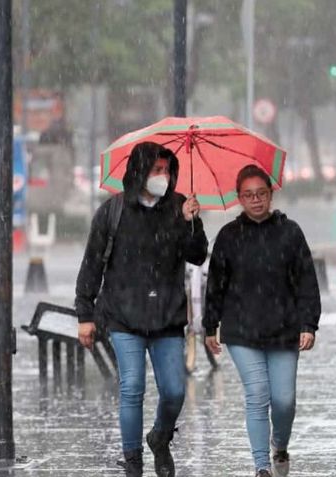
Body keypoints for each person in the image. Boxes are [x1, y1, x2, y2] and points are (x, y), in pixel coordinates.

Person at [75, 141, 207, 477]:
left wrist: (192, 222)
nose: (163, 176)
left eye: (166, 170)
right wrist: (85, 316)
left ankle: (160, 438)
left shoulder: (178, 206)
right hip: (123, 316)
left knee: (175, 391)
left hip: (167, 317)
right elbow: (91, 265)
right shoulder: (113, 211)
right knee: (132, 387)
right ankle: (132, 462)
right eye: (156, 170)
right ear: (139, 172)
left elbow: (197, 255)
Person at [203, 165, 320, 477]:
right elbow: (215, 284)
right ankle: (261, 467)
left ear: (271, 194)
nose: (256, 200)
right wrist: (209, 325)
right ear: (239, 198)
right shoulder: (228, 237)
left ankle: (279, 444)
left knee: (284, 401)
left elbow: (307, 281)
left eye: (261, 194)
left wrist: (308, 324)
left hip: (284, 330)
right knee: (257, 395)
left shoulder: (290, 232)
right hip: (241, 332)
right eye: (248, 195)